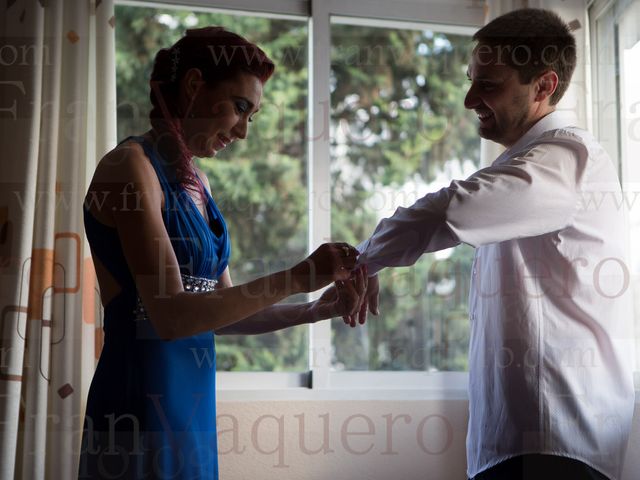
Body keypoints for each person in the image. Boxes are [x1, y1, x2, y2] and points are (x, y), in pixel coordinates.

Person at [354, 8, 634, 480]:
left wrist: (361, 260)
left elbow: (454, 210)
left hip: (552, 447)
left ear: (543, 86)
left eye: (488, 84)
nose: (469, 99)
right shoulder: (529, 162)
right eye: (471, 80)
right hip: (525, 445)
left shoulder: (566, 159)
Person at [78, 27, 365, 479]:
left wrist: (314, 309)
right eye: (240, 108)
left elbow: (225, 313)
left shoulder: (199, 185)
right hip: (138, 403)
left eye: (253, 116)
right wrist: (297, 275)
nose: (244, 132)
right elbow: (171, 316)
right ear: (194, 87)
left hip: (191, 409)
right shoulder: (129, 167)